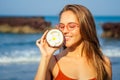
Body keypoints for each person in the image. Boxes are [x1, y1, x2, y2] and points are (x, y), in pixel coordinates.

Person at [34, 4, 112, 80]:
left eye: (71, 26)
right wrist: (45, 56)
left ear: (86, 27)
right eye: (61, 26)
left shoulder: (103, 63)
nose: (64, 31)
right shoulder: (52, 62)